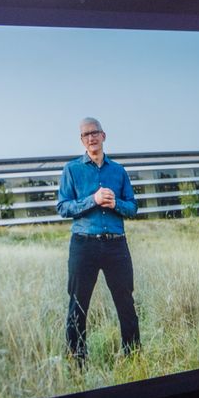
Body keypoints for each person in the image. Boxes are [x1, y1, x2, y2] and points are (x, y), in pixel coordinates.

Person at [56, 117, 140, 363]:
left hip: (116, 245)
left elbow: (133, 207)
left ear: (104, 136)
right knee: (78, 306)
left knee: (126, 304)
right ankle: (78, 363)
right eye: (85, 134)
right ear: (82, 140)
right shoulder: (71, 170)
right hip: (84, 245)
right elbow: (63, 207)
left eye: (95, 132)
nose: (91, 137)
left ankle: (134, 358)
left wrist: (117, 204)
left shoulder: (119, 171)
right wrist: (92, 199)